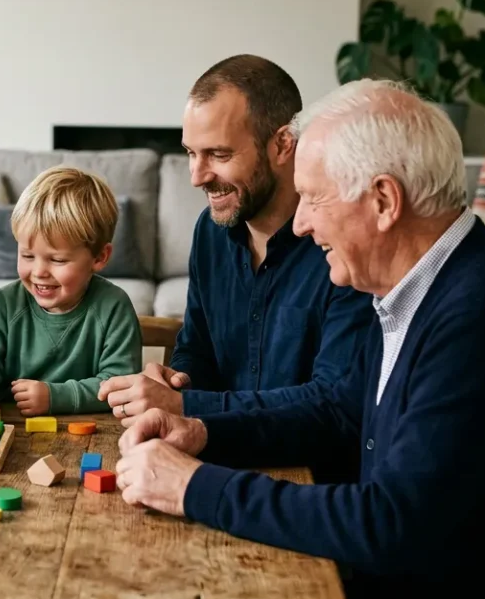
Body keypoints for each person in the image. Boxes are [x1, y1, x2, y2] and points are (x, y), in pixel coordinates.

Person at [113, 78, 485, 599]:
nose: (304, 222)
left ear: (383, 200)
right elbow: (340, 414)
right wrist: (199, 428)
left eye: (314, 197)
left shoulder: (481, 313)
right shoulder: (415, 288)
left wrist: (193, 488)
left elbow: (391, 524)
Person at [99, 54, 373, 421]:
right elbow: (196, 350)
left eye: (218, 154)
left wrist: (185, 406)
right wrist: (175, 382)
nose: (196, 176)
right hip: (213, 444)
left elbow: (331, 404)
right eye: (191, 153)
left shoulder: (340, 244)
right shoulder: (209, 231)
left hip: (303, 468)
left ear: (282, 145)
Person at [0, 166, 143, 418]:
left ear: (99, 257)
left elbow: (118, 383)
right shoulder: (5, 303)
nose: (39, 271)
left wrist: (55, 397)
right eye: (27, 256)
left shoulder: (113, 307)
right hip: (10, 429)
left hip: (89, 433)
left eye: (58, 260)